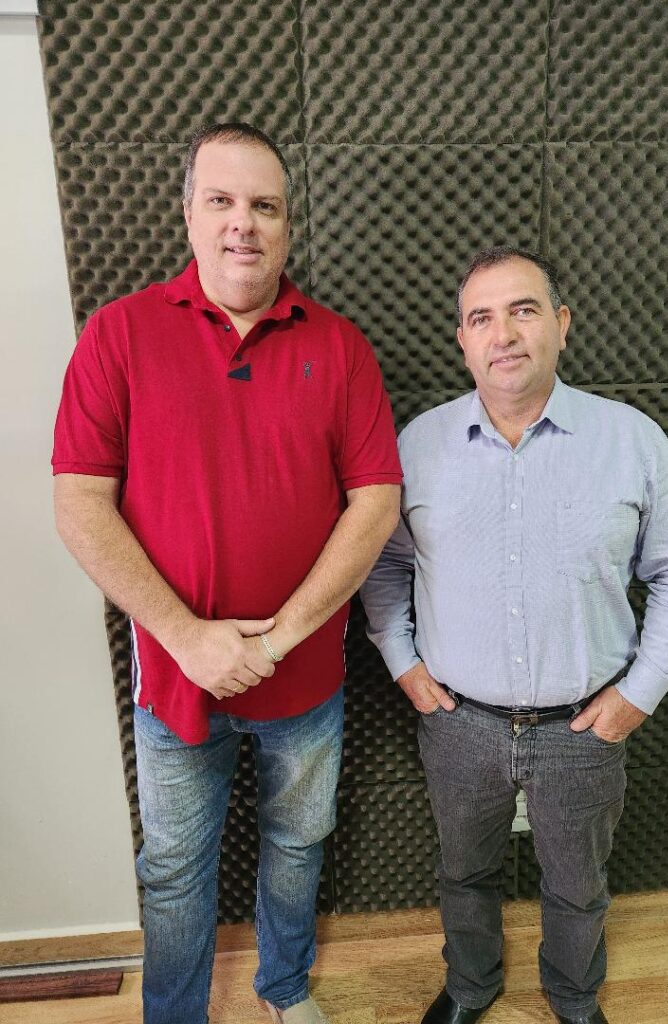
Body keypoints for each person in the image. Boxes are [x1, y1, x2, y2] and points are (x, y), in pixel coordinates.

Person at [52, 122, 402, 1024]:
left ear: (288, 224)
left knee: (298, 843)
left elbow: (376, 505)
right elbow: (80, 503)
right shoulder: (119, 335)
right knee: (174, 867)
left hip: (308, 677)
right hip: (176, 678)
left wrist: (278, 639)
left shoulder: (342, 346)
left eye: (264, 205)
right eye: (222, 201)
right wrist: (187, 636)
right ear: (189, 214)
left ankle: (283, 988)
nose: (242, 223)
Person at [360, 246, 668, 1024]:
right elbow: (382, 566)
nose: (504, 334)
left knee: (578, 884)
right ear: (462, 339)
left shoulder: (632, 440)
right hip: (459, 722)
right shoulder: (416, 446)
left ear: (560, 323)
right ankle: (470, 988)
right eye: (482, 317)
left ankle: (574, 996)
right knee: (464, 873)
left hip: (584, 727)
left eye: (523, 310)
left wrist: (641, 692)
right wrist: (403, 662)